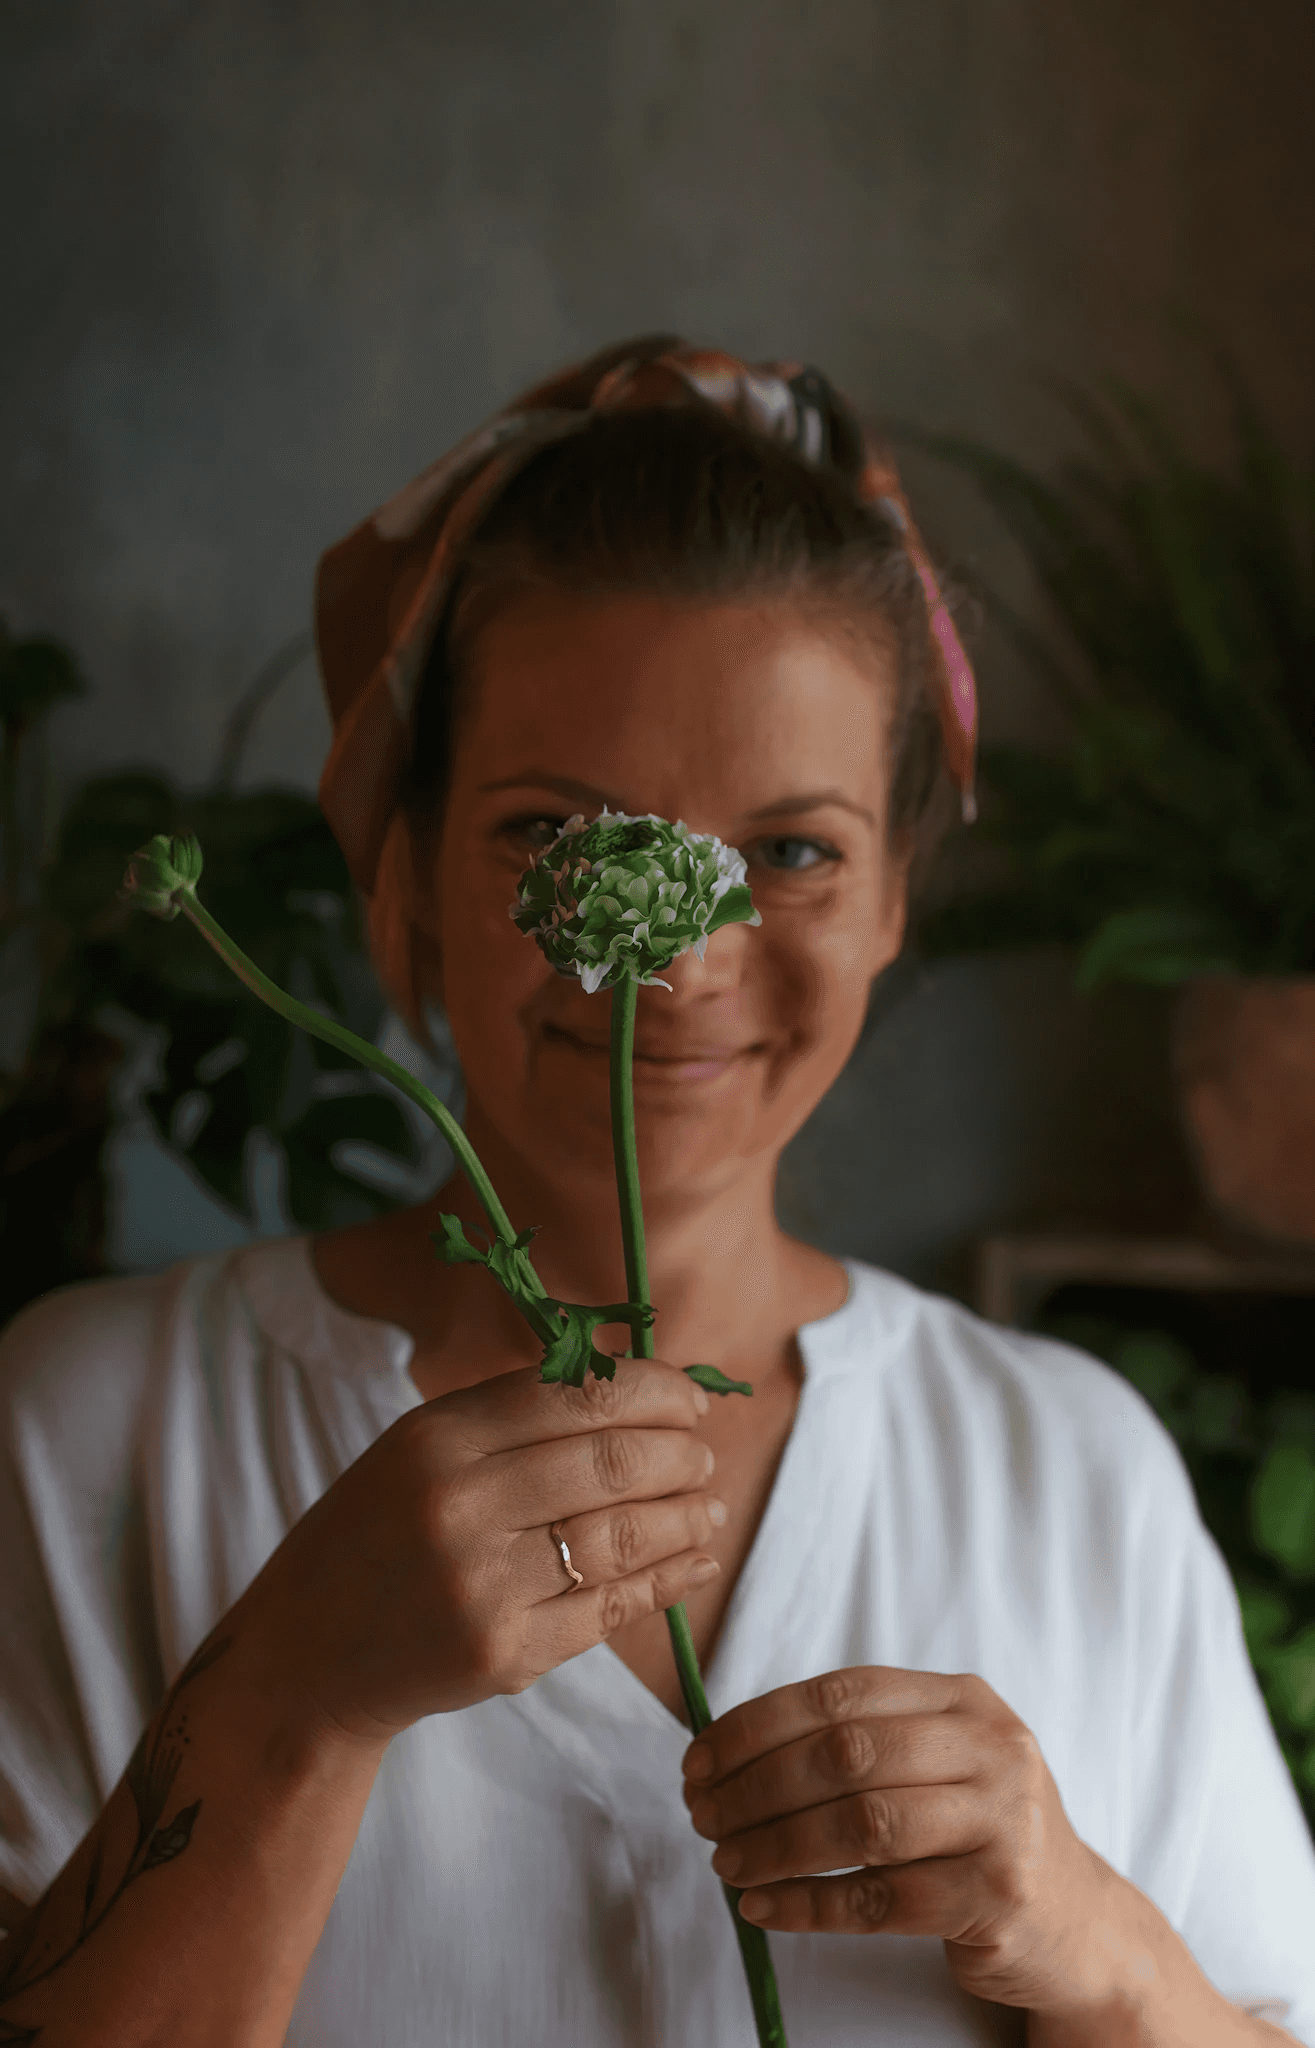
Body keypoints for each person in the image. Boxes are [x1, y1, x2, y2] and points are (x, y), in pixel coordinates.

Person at [0, 335, 1312, 2048]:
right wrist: (292, 1703)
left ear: (898, 890)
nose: (678, 964)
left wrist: (1086, 1939)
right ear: (403, 865)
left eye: (791, 851)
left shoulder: (1064, 1467)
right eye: (555, 834)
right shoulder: (90, 1426)